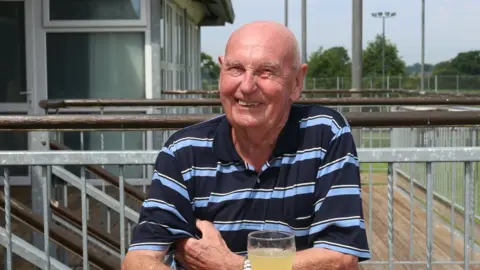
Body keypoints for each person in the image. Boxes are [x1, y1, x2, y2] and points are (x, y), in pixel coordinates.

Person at [122, 21, 370, 270]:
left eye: (266, 72)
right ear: (221, 72)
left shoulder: (324, 134)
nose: (247, 86)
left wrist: (236, 266)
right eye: (236, 69)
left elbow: (340, 258)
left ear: (296, 82)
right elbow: (139, 259)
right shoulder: (183, 150)